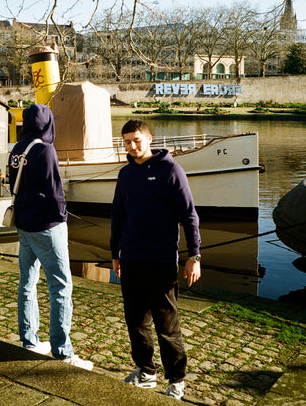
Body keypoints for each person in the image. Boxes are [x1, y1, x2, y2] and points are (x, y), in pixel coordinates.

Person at [110, 119, 201, 400]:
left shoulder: (171, 171)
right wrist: (115, 253)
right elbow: (118, 217)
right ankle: (146, 372)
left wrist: (193, 255)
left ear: (149, 139)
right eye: (127, 142)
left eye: (137, 140)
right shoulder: (125, 174)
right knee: (136, 321)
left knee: (167, 325)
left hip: (161, 260)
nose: (132, 146)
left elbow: (189, 216)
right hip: (132, 258)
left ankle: (176, 380)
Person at [9, 103, 93, 370]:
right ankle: (62, 350)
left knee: (27, 282)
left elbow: (13, 185)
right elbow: (55, 191)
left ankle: (30, 340)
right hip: (47, 226)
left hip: (23, 225)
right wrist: (63, 217)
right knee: (60, 287)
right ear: (47, 124)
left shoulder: (17, 149)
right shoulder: (46, 150)